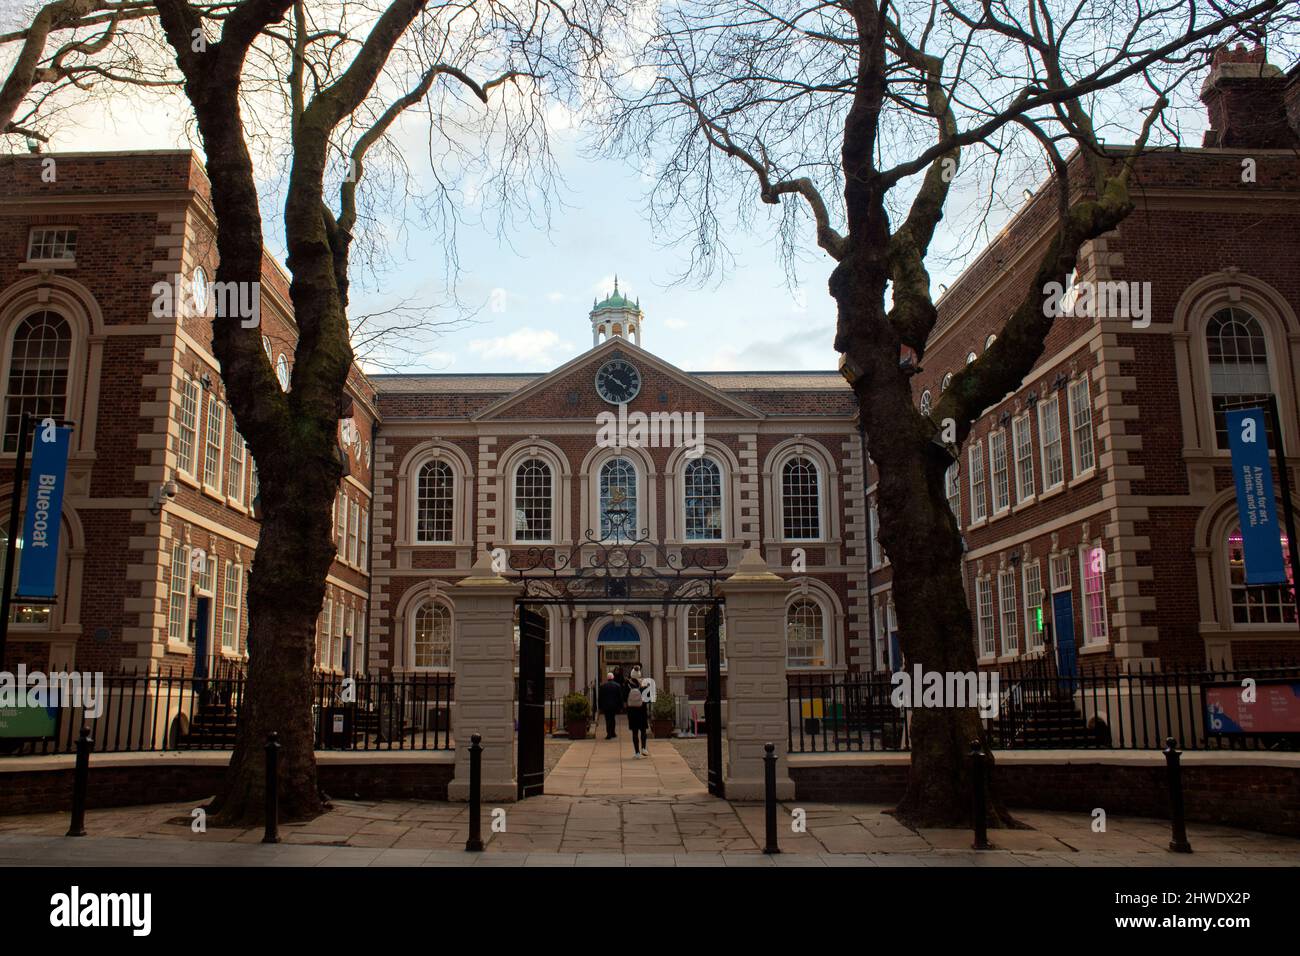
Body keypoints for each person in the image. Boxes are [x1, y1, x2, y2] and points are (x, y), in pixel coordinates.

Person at [624, 664, 649, 758]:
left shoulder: (627, 684)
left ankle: (637, 753)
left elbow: (624, 697)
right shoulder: (644, 684)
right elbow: (648, 698)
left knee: (634, 732)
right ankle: (644, 748)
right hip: (642, 710)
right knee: (643, 731)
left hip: (632, 711)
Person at [597, 672, 622, 740]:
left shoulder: (603, 686)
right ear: (613, 678)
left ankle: (609, 733)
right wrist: (620, 706)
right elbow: (620, 697)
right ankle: (613, 732)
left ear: (607, 678)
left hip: (606, 706)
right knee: (613, 719)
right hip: (614, 706)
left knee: (608, 719)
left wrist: (600, 706)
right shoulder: (617, 685)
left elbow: (600, 697)